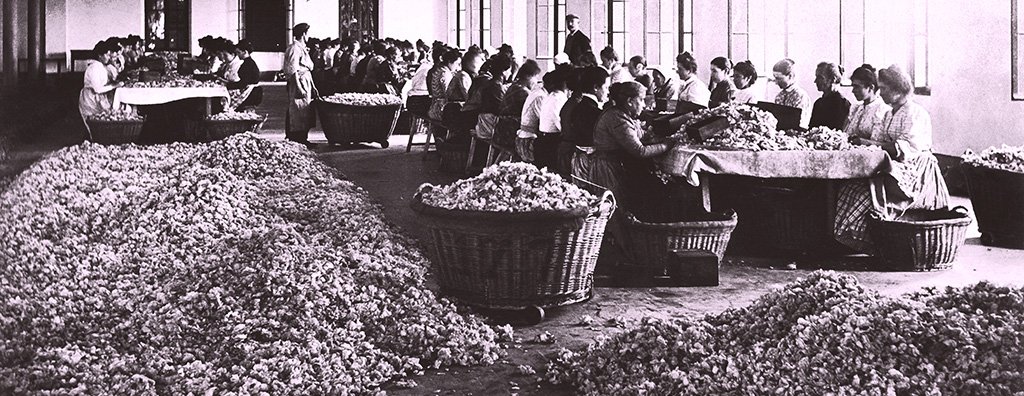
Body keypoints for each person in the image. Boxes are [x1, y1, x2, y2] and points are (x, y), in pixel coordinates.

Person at [834, 65, 950, 253]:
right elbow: (878, 140)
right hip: (891, 161)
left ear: (898, 89)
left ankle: (872, 240)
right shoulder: (888, 113)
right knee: (852, 186)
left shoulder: (915, 113)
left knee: (868, 192)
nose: (882, 92)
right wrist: (866, 144)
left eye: (885, 89)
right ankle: (850, 238)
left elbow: (905, 149)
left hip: (913, 166)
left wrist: (875, 145)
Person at [589, 81, 677, 217]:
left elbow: (639, 136)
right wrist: (666, 145)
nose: (644, 105)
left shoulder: (623, 115)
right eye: (641, 100)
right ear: (630, 101)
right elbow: (639, 151)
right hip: (607, 169)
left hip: (616, 165)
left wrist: (654, 137)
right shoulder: (617, 119)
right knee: (616, 213)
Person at [559, 66, 611, 179]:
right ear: (596, 87)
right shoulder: (594, 112)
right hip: (590, 163)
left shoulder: (577, 106)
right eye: (606, 87)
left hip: (577, 160)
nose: (607, 92)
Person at [284, 23, 318, 144]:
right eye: (307, 33)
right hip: (298, 82)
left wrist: (313, 86)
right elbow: (293, 70)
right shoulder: (294, 48)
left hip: (306, 80)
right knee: (297, 110)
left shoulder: (302, 48)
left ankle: (303, 138)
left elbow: (307, 69)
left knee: (305, 110)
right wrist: (298, 87)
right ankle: (296, 138)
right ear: (303, 34)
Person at [497, 60, 542, 152]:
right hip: (509, 131)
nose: (536, 81)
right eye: (535, 77)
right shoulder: (523, 91)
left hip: (502, 129)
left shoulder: (515, 86)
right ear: (528, 76)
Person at [534, 69, 571, 170]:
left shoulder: (550, 96)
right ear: (565, 83)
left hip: (542, 140)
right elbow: (560, 125)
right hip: (550, 142)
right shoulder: (559, 98)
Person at [843, 64, 889, 140]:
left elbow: (876, 142)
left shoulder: (881, 110)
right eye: (853, 86)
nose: (853, 91)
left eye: (857, 86)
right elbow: (845, 135)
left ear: (871, 87)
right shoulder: (855, 109)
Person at [79, 39, 121, 118]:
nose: (109, 57)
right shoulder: (94, 67)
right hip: (91, 99)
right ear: (100, 55)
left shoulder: (100, 66)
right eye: (107, 55)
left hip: (98, 98)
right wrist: (114, 86)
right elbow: (97, 89)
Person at [810, 62, 851, 130]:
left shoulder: (842, 104)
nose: (815, 81)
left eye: (820, 77)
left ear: (833, 79)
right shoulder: (818, 103)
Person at [772, 58, 812, 128]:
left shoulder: (801, 96)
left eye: (778, 78)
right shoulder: (779, 96)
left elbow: (801, 123)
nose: (776, 82)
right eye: (775, 78)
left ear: (790, 76)